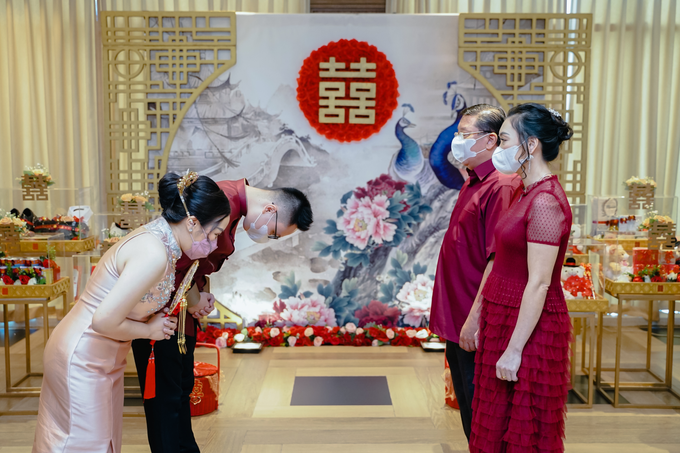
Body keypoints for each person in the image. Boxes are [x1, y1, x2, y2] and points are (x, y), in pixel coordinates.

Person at [32, 172, 232, 453]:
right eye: (214, 233)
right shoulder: (154, 253)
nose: (213, 243)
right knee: (82, 444)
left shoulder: (161, 242)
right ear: (192, 222)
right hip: (84, 355)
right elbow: (103, 320)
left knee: (102, 443)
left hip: (104, 356)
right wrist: (149, 330)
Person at [132, 179, 313, 453]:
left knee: (179, 392)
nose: (268, 237)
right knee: (168, 399)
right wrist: (194, 300)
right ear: (270, 210)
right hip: (162, 313)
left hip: (177, 309)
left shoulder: (231, 203)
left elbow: (197, 263)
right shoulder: (224, 202)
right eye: (274, 232)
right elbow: (178, 257)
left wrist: (199, 297)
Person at [469, 103, 574, 453]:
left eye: (503, 140)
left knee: (522, 430)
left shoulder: (545, 201)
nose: (498, 150)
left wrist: (515, 349)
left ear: (531, 145)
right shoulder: (524, 191)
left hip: (530, 330)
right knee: (495, 423)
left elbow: (540, 282)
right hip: (505, 317)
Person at [429, 104, 521, 441]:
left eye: (465, 134)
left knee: (483, 411)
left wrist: (474, 319)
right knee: (468, 408)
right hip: (457, 316)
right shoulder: (473, 182)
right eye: (457, 133)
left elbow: (498, 259)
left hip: (473, 317)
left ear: (490, 141)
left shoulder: (502, 186)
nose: (457, 141)